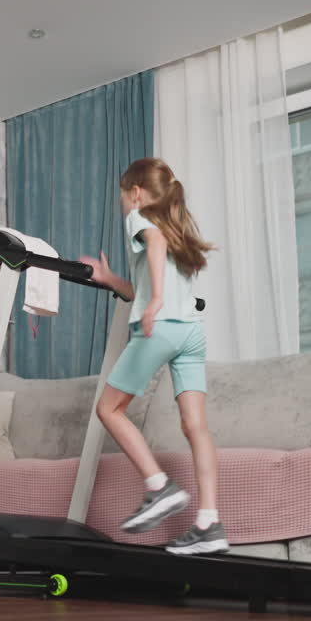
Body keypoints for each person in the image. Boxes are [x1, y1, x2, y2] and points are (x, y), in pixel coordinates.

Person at [79, 157, 226, 555]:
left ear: (136, 193)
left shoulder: (143, 220)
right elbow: (140, 290)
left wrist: (156, 301)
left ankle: (159, 487)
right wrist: (112, 281)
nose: (123, 205)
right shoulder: (177, 232)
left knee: (109, 410)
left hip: (160, 328)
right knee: (196, 426)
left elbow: (153, 262)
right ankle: (209, 522)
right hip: (191, 332)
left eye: (123, 197)